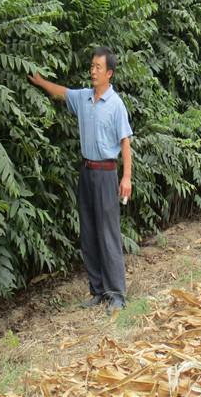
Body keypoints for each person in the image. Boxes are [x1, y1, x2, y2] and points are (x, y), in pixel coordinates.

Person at [28, 46, 133, 312]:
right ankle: (97, 290)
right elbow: (62, 92)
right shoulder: (84, 98)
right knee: (88, 233)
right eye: (92, 66)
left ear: (109, 73)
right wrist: (40, 81)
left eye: (98, 67)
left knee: (107, 233)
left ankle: (117, 295)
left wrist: (126, 178)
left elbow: (125, 142)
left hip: (107, 174)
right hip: (86, 172)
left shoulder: (116, 104)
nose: (93, 71)